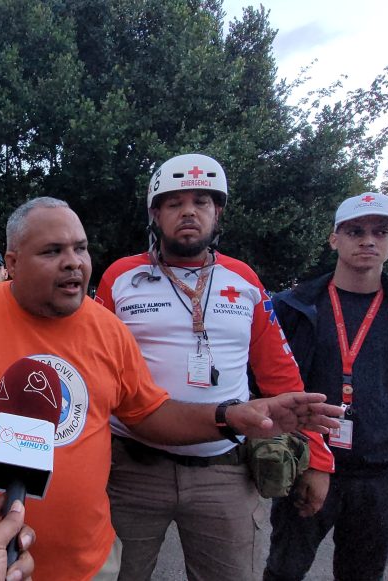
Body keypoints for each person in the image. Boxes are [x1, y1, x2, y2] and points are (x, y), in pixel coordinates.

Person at [0, 197, 342, 580]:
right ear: (11, 263)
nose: (74, 262)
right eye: (52, 251)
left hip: (88, 562)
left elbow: (147, 413)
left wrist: (227, 417)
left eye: (80, 248)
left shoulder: (107, 330)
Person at [95, 153, 334, 580]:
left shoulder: (244, 279)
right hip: (131, 470)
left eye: (202, 201)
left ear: (217, 212)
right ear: (155, 213)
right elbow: (95, 371)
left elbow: (281, 375)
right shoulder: (121, 277)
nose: (189, 211)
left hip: (225, 470)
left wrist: (316, 458)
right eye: (174, 203)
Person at [263, 193, 388, 581]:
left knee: (363, 574)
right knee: (284, 570)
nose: (368, 240)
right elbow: (267, 383)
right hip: (306, 465)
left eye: (381, 231)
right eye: (355, 231)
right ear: (334, 239)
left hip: (383, 476)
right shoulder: (292, 307)